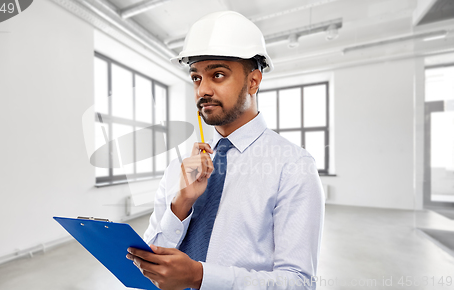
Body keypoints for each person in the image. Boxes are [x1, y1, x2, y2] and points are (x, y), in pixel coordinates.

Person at [125, 11, 324, 290]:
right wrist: (181, 203)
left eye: (217, 75)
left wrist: (199, 276)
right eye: (196, 78)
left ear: (253, 81)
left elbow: (299, 283)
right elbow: (152, 262)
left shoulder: (293, 166)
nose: (202, 90)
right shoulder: (180, 168)